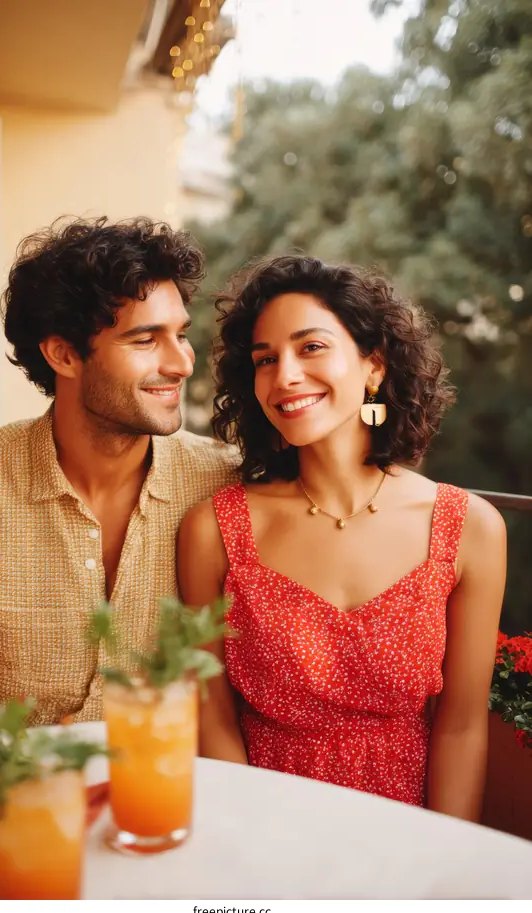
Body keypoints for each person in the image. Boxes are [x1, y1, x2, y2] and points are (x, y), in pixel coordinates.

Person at [177, 255, 507, 821]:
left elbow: (461, 727)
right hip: (264, 827)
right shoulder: (214, 528)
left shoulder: (468, 527)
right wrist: (254, 847)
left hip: (407, 835)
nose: (285, 376)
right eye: (265, 359)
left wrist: (445, 873)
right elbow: (211, 714)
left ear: (373, 365)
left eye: (311, 347)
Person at [0, 217, 237, 725]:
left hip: (160, 789)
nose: (183, 363)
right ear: (64, 355)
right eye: (146, 340)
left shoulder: (225, 485)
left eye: (181, 335)